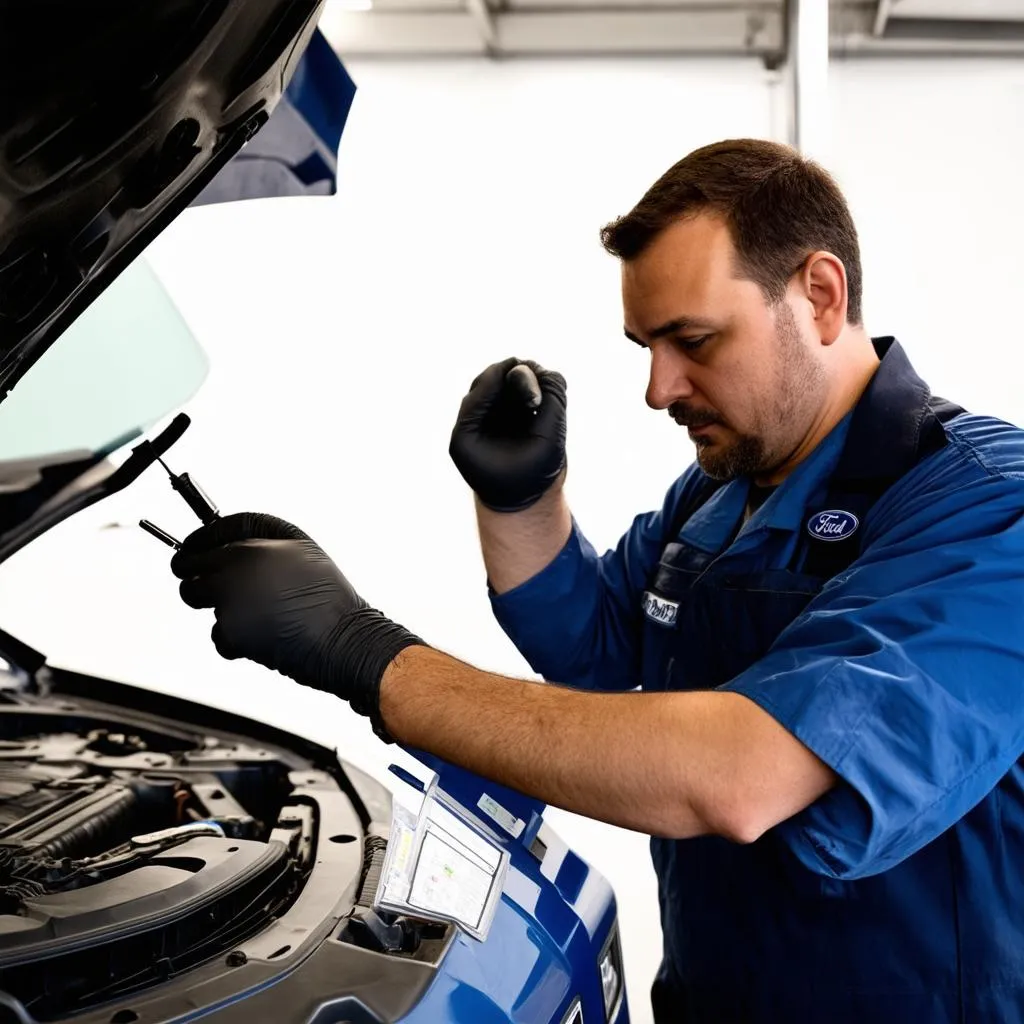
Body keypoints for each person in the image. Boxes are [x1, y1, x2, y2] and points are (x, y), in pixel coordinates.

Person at [170, 139, 1024, 1023]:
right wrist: (521, 499)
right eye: (645, 346)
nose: (659, 389)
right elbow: (599, 646)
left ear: (818, 295)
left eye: (692, 341)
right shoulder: (722, 491)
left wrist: (365, 653)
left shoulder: (988, 510)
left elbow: (741, 774)